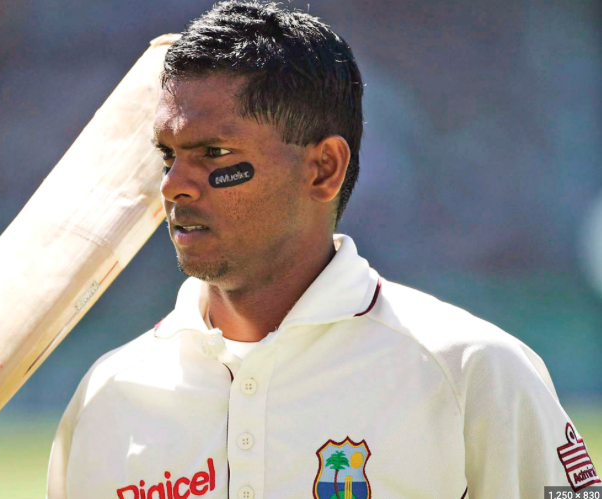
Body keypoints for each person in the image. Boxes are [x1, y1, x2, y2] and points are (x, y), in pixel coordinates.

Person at [46, 2, 599, 498]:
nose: (172, 186)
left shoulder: (473, 371)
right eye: (168, 156)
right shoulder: (106, 398)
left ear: (323, 168)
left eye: (214, 153)